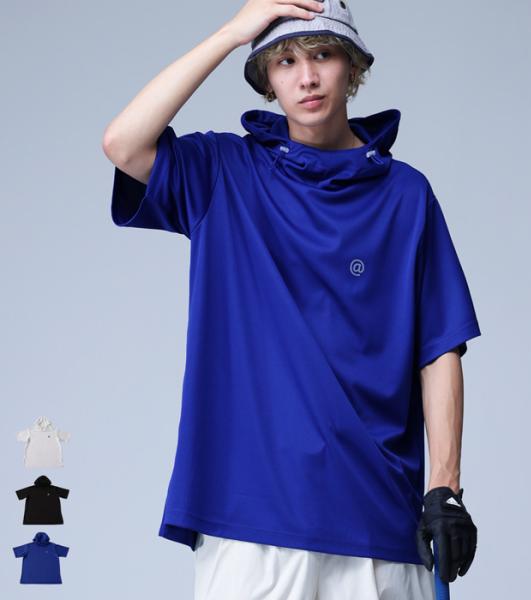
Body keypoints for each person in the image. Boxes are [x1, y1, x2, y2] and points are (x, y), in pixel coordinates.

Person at [102, 1, 481, 598]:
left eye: (322, 54)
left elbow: (438, 348)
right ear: (266, 78)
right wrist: (232, 33)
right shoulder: (223, 172)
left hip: (381, 517)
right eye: (284, 61)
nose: (306, 77)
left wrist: (446, 489)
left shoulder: (406, 195)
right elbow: (124, 144)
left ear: (352, 67)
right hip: (253, 522)